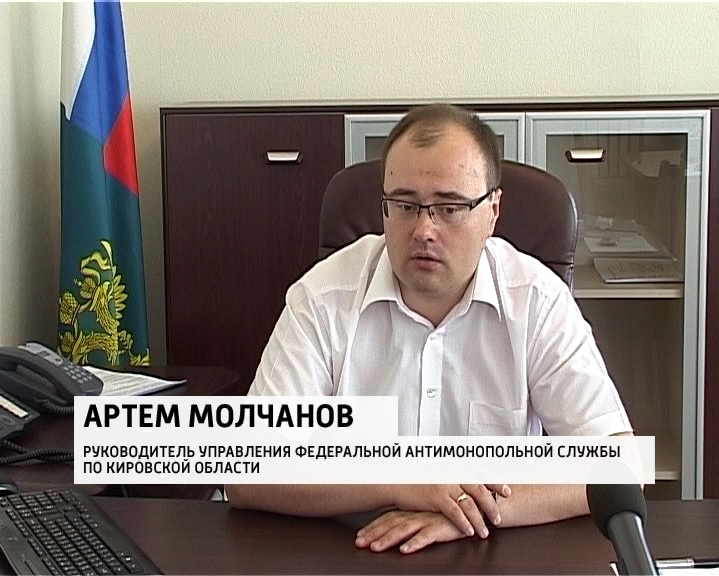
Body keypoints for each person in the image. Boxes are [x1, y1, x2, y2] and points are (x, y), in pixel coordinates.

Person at [225, 103, 633, 554]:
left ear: (493, 211)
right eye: (405, 205)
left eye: (450, 207)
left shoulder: (536, 300)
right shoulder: (323, 298)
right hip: (353, 554)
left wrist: (467, 510)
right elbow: (246, 470)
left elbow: (620, 465)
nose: (423, 230)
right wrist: (395, 481)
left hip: (493, 555)